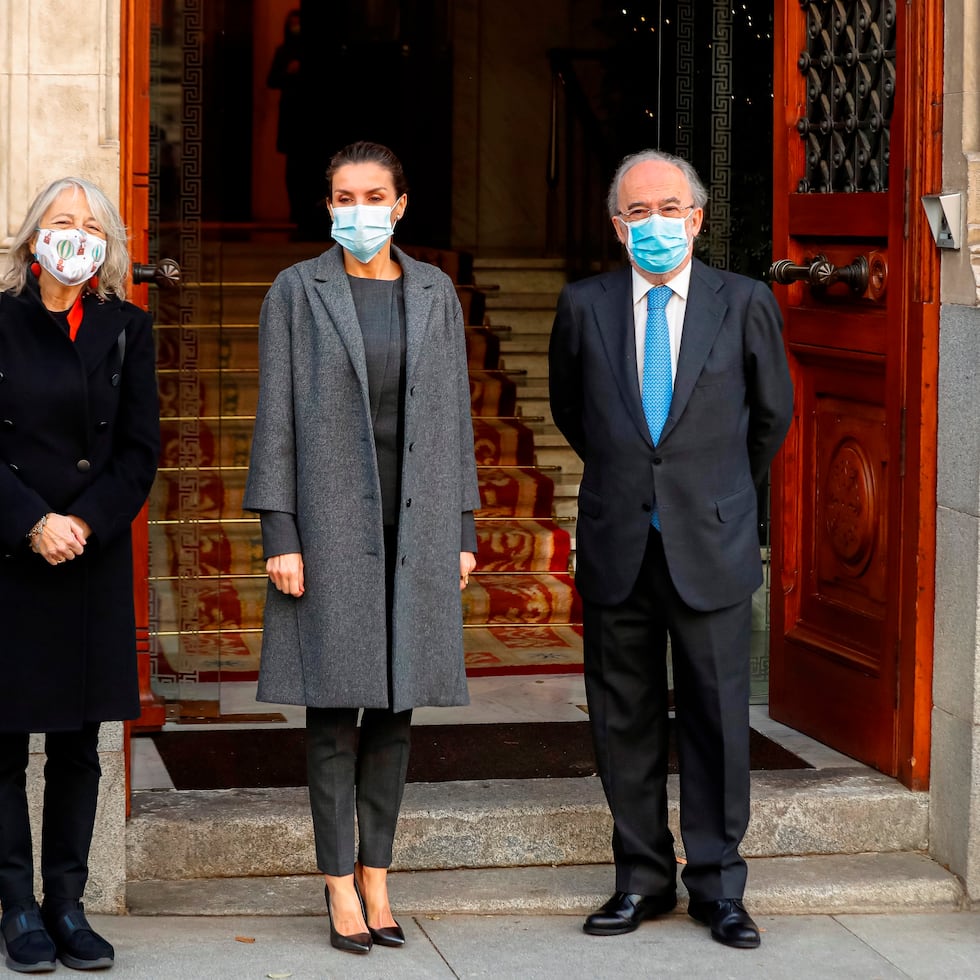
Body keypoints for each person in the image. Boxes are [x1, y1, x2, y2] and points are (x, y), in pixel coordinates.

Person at [549, 149, 794, 949]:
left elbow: (771, 418)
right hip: (621, 538)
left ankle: (719, 888)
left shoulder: (745, 301)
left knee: (719, 720)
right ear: (617, 228)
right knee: (624, 719)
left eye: (668, 209)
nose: (653, 225)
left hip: (710, 542)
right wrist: (640, 486)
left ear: (697, 217)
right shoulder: (582, 307)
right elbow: (573, 413)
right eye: (636, 213)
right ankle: (641, 879)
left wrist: (714, 494)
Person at [244, 141, 479, 956]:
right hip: (329, 527)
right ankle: (338, 883)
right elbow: (273, 417)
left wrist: (461, 529)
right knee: (332, 713)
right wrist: (281, 531)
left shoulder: (434, 291)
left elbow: (454, 418)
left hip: (414, 527)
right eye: (344, 196)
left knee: (395, 710)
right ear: (329, 205)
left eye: (373, 195)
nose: (359, 210)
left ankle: (380, 875)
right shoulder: (296, 291)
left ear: (401, 204)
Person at [0, 176, 161, 972]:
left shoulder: (128, 327)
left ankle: (67, 903)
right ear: (34, 239)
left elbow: (139, 453)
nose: (76, 235)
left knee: (78, 746)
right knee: (2, 745)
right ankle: (18, 907)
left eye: (90, 226)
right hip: (9, 552)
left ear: (107, 245)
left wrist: (84, 522)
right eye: (62, 222)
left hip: (89, 559)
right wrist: (31, 519)